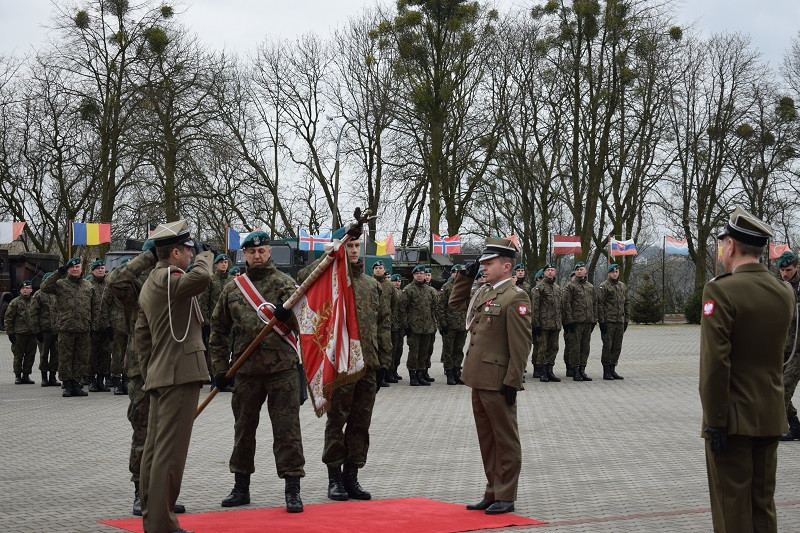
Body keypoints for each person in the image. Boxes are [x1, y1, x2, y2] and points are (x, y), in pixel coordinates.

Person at [700, 207, 794, 532]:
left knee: (733, 513)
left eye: (723, 242)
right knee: (762, 507)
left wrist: (715, 422)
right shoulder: (784, 292)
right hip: (770, 414)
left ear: (732, 246)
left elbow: (715, 364)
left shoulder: (721, 290)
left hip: (732, 422)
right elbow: (779, 352)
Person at [210, 231, 306, 513]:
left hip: (282, 370)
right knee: (243, 430)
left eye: (262, 251)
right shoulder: (233, 288)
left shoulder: (287, 285)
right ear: (244, 255)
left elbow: (308, 323)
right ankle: (241, 487)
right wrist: (219, 368)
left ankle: (292, 488)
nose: (257, 256)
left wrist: (289, 316)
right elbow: (218, 330)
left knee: (287, 431)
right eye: (251, 253)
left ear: (269, 252)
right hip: (246, 371)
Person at [297, 229, 391, 503]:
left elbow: (383, 323)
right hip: (340, 366)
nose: (353, 250)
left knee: (361, 423)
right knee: (337, 422)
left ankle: (353, 475)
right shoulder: (329, 280)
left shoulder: (371, 285)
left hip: (368, 364)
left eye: (356, 245)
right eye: (348, 245)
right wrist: (328, 257)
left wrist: (384, 360)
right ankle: (334, 477)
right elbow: (303, 279)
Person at [136, 220, 213, 533]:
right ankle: (162, 525)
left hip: (162, 373)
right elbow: (204, 276)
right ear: (177, 252)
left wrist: (151, 370)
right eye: (191, 250)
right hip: (179, 374)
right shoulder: (170, 277)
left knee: (154, 452)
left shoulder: (152, 281)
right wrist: (208, 256)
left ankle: (153, 520)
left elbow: (142, 338)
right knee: (170, 455)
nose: (194, 254)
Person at [449, 237, 531, 515]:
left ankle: (506, 494)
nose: (483, 267)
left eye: (488, 263)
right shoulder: (484, 292)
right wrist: (465, 275)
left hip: (498, 380)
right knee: (487, 439)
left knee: (505, 439)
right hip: (478, 377)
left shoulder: (515, 296)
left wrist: (513, 380)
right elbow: (456, 302)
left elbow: (521, 345)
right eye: (482, 263)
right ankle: (492, 490)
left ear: (506, 267)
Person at [107, 240, 187, 518]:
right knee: (144, 432)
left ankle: (164, 492)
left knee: (170, 435)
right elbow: (115, 280)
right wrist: (147, 258)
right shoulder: (138, 286)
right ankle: (142, 493)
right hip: (143, 369)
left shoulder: (177, 279)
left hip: (173, 368)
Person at [40, 257, 94, 397]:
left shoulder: (88, 285)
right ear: (68, 269)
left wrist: (93, 326)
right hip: (66, 327)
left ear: (81, 269)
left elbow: (93, 307)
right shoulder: (60, 284)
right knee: (65, 358)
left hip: (84, 328)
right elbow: (44, 287)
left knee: (81, 358)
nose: (75, 269)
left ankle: (76, 384)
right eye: (72, 267)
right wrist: (59, 271)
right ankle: (67, 385)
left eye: (77, 267)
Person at [777, 251, 800, 441]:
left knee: (784, 387)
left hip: (798, 350)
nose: (785, 274)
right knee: (775, 385)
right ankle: (795, 426)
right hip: (783, 347)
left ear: (797, 268)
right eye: (782, 270)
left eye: (789, 270)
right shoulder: (780, 288)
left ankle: (777, 427)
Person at [402, 265, 437, 386]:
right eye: (417, 274)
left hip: (427, 328)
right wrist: (406, 326)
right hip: (414, 328)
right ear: (413, 275)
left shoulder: (429, 290)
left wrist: (434, 324)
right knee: (414, 353)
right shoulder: (408, 290)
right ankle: (413, 376)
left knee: (424, 352)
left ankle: (421, 375)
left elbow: (433, 308)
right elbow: (402, 309)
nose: (419, 275)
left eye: (421, 273)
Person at [562, 262, 597, 381]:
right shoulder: (570, 286)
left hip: (587, 321)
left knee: (585, 347)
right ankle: (575, 370)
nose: (579, 271)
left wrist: (594, 320)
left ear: (585, 271)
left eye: (581, 269)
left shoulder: (590, 287)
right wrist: (569, 321)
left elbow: (594, 304)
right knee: (575, 348)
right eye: (577, 270)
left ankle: (582, 370)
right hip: (576, 322)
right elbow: (566, 304)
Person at [198, 253, 229, 380]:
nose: (224, 264)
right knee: (214, 349)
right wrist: (205, 321)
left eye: (226, 262)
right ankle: (215, 376)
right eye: (221, 262)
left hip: (229, 321)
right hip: (214, 321)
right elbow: (203, 301)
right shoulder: (211, 280)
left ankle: (227, 375)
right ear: (216, 265)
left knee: (228, 347)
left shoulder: (231, 280)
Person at [597, 263, 629, 380]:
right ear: (609, 273)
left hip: (619, 321)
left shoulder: (622, 286)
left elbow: (627, 303)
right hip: (608, 321)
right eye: (612, 272)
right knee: (607, 346)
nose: (615, 274)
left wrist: (626, 320)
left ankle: (613, 368)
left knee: (617, 346)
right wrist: (602, 322)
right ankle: (606, 370)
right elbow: (600, 305)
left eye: (616, 272)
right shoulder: (604, 287)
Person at [531, 263, 562, 382]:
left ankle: (550, 370)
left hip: (555, 324)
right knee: (542, 348)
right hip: (543, 324)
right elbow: (535, 307)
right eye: (548, 270)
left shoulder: (557, 288)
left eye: (552, 270)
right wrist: (536, 324)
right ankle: (542, 371)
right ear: (544, 273)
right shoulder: (539, 288)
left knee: (554, 347)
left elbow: (560, 306)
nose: (550, 272)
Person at [437, 265, 467, 385]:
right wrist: (443, 324)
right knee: (448, 350)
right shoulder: (447, 287)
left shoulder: (465, 287)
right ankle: (449, 373)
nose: (458, 274)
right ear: (452, 274)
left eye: (461, 273)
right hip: (450, 325)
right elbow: (440, 307)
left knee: (459, 350)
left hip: (462, 325)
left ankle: (457, 372)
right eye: (456, 272)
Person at [87, 259, 113, 392]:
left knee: (105, 353)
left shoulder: (109, 284)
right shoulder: (88, 285)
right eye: (98, 269)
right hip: (92, 326)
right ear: (92, 271)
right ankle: (91, 379)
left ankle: (101, 380)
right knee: (92, 354)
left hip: (106, 325)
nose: (101, 270)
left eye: (102, 268)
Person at [31, 272, 60, 387]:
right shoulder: (39, 294)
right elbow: (33, 313)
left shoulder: (57, 293)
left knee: (55, 354)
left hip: (56, 329)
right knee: (44, 354)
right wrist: (36, 330)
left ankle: (53, 376)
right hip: (44, 330)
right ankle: (44, 377)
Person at [5, 280, 37, 384]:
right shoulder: (15, 302)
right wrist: (10, 333)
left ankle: (26, 375)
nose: (25, 290)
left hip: (32, 334)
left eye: (27, 288)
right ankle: (18, 376)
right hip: (19, 334)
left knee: (30, 356)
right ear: (20, 290)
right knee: (18, 356)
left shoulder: (35, 301)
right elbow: (8, 318)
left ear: (31, 290)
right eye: (23, 288)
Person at [371, 260, 396, 386]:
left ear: (384, 269)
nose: (378, 270)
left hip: (385, 324)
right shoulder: (369, 283)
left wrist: (394, 321)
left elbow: (395, 304)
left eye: (381, 268)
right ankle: (373, 377)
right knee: (372, 350)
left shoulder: (389, 285)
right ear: (373, 270)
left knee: (385, 349)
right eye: (376, 268)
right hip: (371, 324)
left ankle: (382, 376)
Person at [389, 274, 405, 382]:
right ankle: (389, 372)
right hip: (391, 326)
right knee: (391, 351)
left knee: (398, 350)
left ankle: (395, 370)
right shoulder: (390, 292)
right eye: (395, 281)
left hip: (400, 326)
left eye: (399, 281)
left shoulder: (402, 293)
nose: (397, 283)